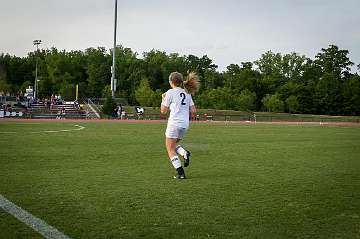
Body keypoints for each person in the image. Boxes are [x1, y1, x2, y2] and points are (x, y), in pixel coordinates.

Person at [160, 71, 200, 179]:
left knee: (170, 148)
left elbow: (163, 111)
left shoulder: (170, 92)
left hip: (174, 123)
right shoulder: (187, 93)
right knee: (173, 145)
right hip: (184, 125)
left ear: (171, 82)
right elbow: (193, 110)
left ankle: (180, 173)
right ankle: (184, 153)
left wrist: (163, 98)